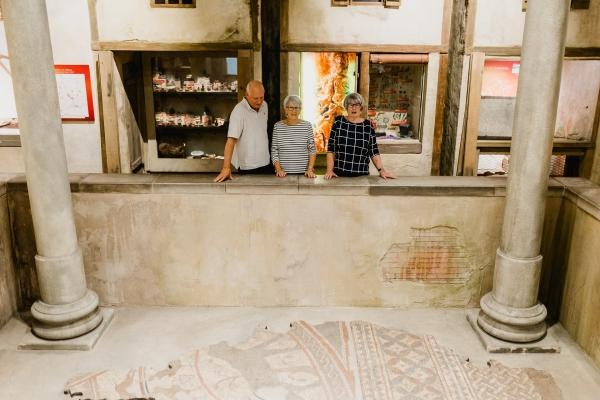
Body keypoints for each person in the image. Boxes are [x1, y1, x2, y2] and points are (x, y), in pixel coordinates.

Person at [324, 92, 395, 180]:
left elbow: (373, 151)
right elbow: (331, 149)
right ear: (346, 107)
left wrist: (382, 170)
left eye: (357, 105)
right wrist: (329, 170)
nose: (354, 108)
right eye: (350, 105)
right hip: (339, 175)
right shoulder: (338, 122)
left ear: (361, 108)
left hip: (362, 176)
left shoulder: (368, 125)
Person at [214, 80, 271, 182]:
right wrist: (226, 168)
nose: (259, 101)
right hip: (248, 166)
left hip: (265, 162)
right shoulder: (238, 111)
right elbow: (231, 141)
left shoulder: (265, 105)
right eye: (255, 98)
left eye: (261, 97)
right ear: (247, 95)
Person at [271, 95, 317, 178]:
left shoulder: (307, 126)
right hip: (283, 175)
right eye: (290, 108)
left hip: (304, 174)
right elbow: (274, 150)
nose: (294, 111)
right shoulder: (277, 126)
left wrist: (310, 169)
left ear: (300, 110)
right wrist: (278, 170)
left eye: (297, 108)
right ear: (285, 109)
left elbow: (312, 149)